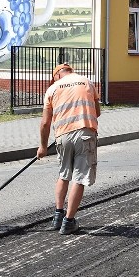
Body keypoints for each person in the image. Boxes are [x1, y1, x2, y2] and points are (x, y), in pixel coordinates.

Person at [37, 63, 101, 235]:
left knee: (64, 174)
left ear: (57, 75)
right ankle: (68, 221)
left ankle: (58, 215)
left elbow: (45, 123)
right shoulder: (87, 82)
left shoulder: (52, 89)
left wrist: (43, 146)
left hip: (62, 136)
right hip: (85, 134)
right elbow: (97, 112)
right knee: (79, 177)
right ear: (69, 72)